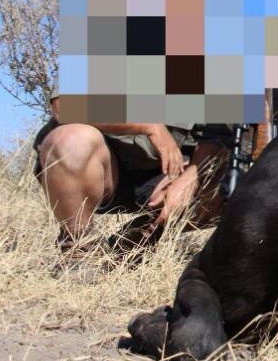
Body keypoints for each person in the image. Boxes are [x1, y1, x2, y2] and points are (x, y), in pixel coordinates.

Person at [33, 93, 228, 250]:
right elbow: (65, 106)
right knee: (71, 140)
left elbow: (217, 135)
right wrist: (148, 126)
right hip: (102, 169)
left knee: (235, 188)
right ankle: (79, 246)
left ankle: (138, 238)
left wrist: (190, 179)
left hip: (165, 175)